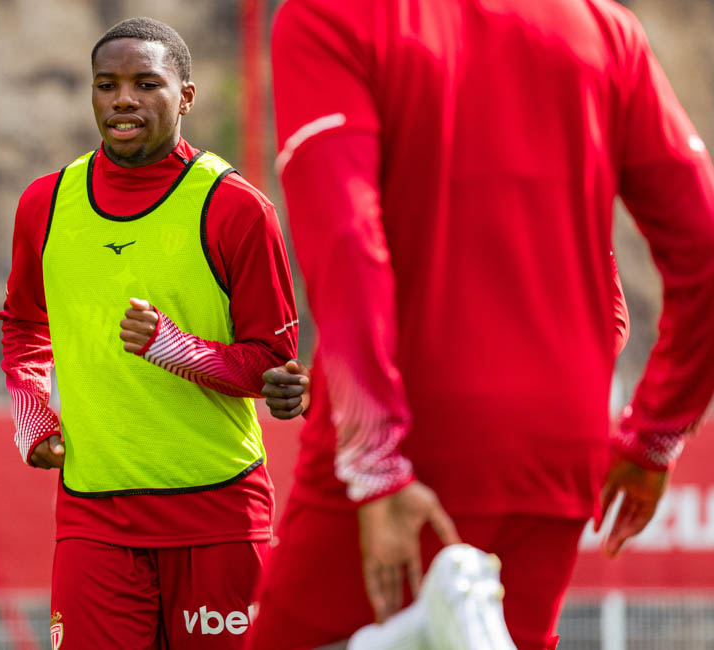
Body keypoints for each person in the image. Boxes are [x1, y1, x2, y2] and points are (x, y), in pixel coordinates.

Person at [249, 1, 714, 649]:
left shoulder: (330, 16)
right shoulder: (602, 27)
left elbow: (348, 242)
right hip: (558, 442)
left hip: (408, 438)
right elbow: (703, 244)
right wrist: (655, 434)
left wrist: (376, 463)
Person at [0, 17, 299, 649]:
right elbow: (25, 324)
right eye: (106, 85)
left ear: (185, 96)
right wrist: (31, 410)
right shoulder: (44, 204)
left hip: (218, 513)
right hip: (94, 515)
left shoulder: (238, 208)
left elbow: (273, 364)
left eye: (146, 83)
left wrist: (174, 348)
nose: (123, 100)